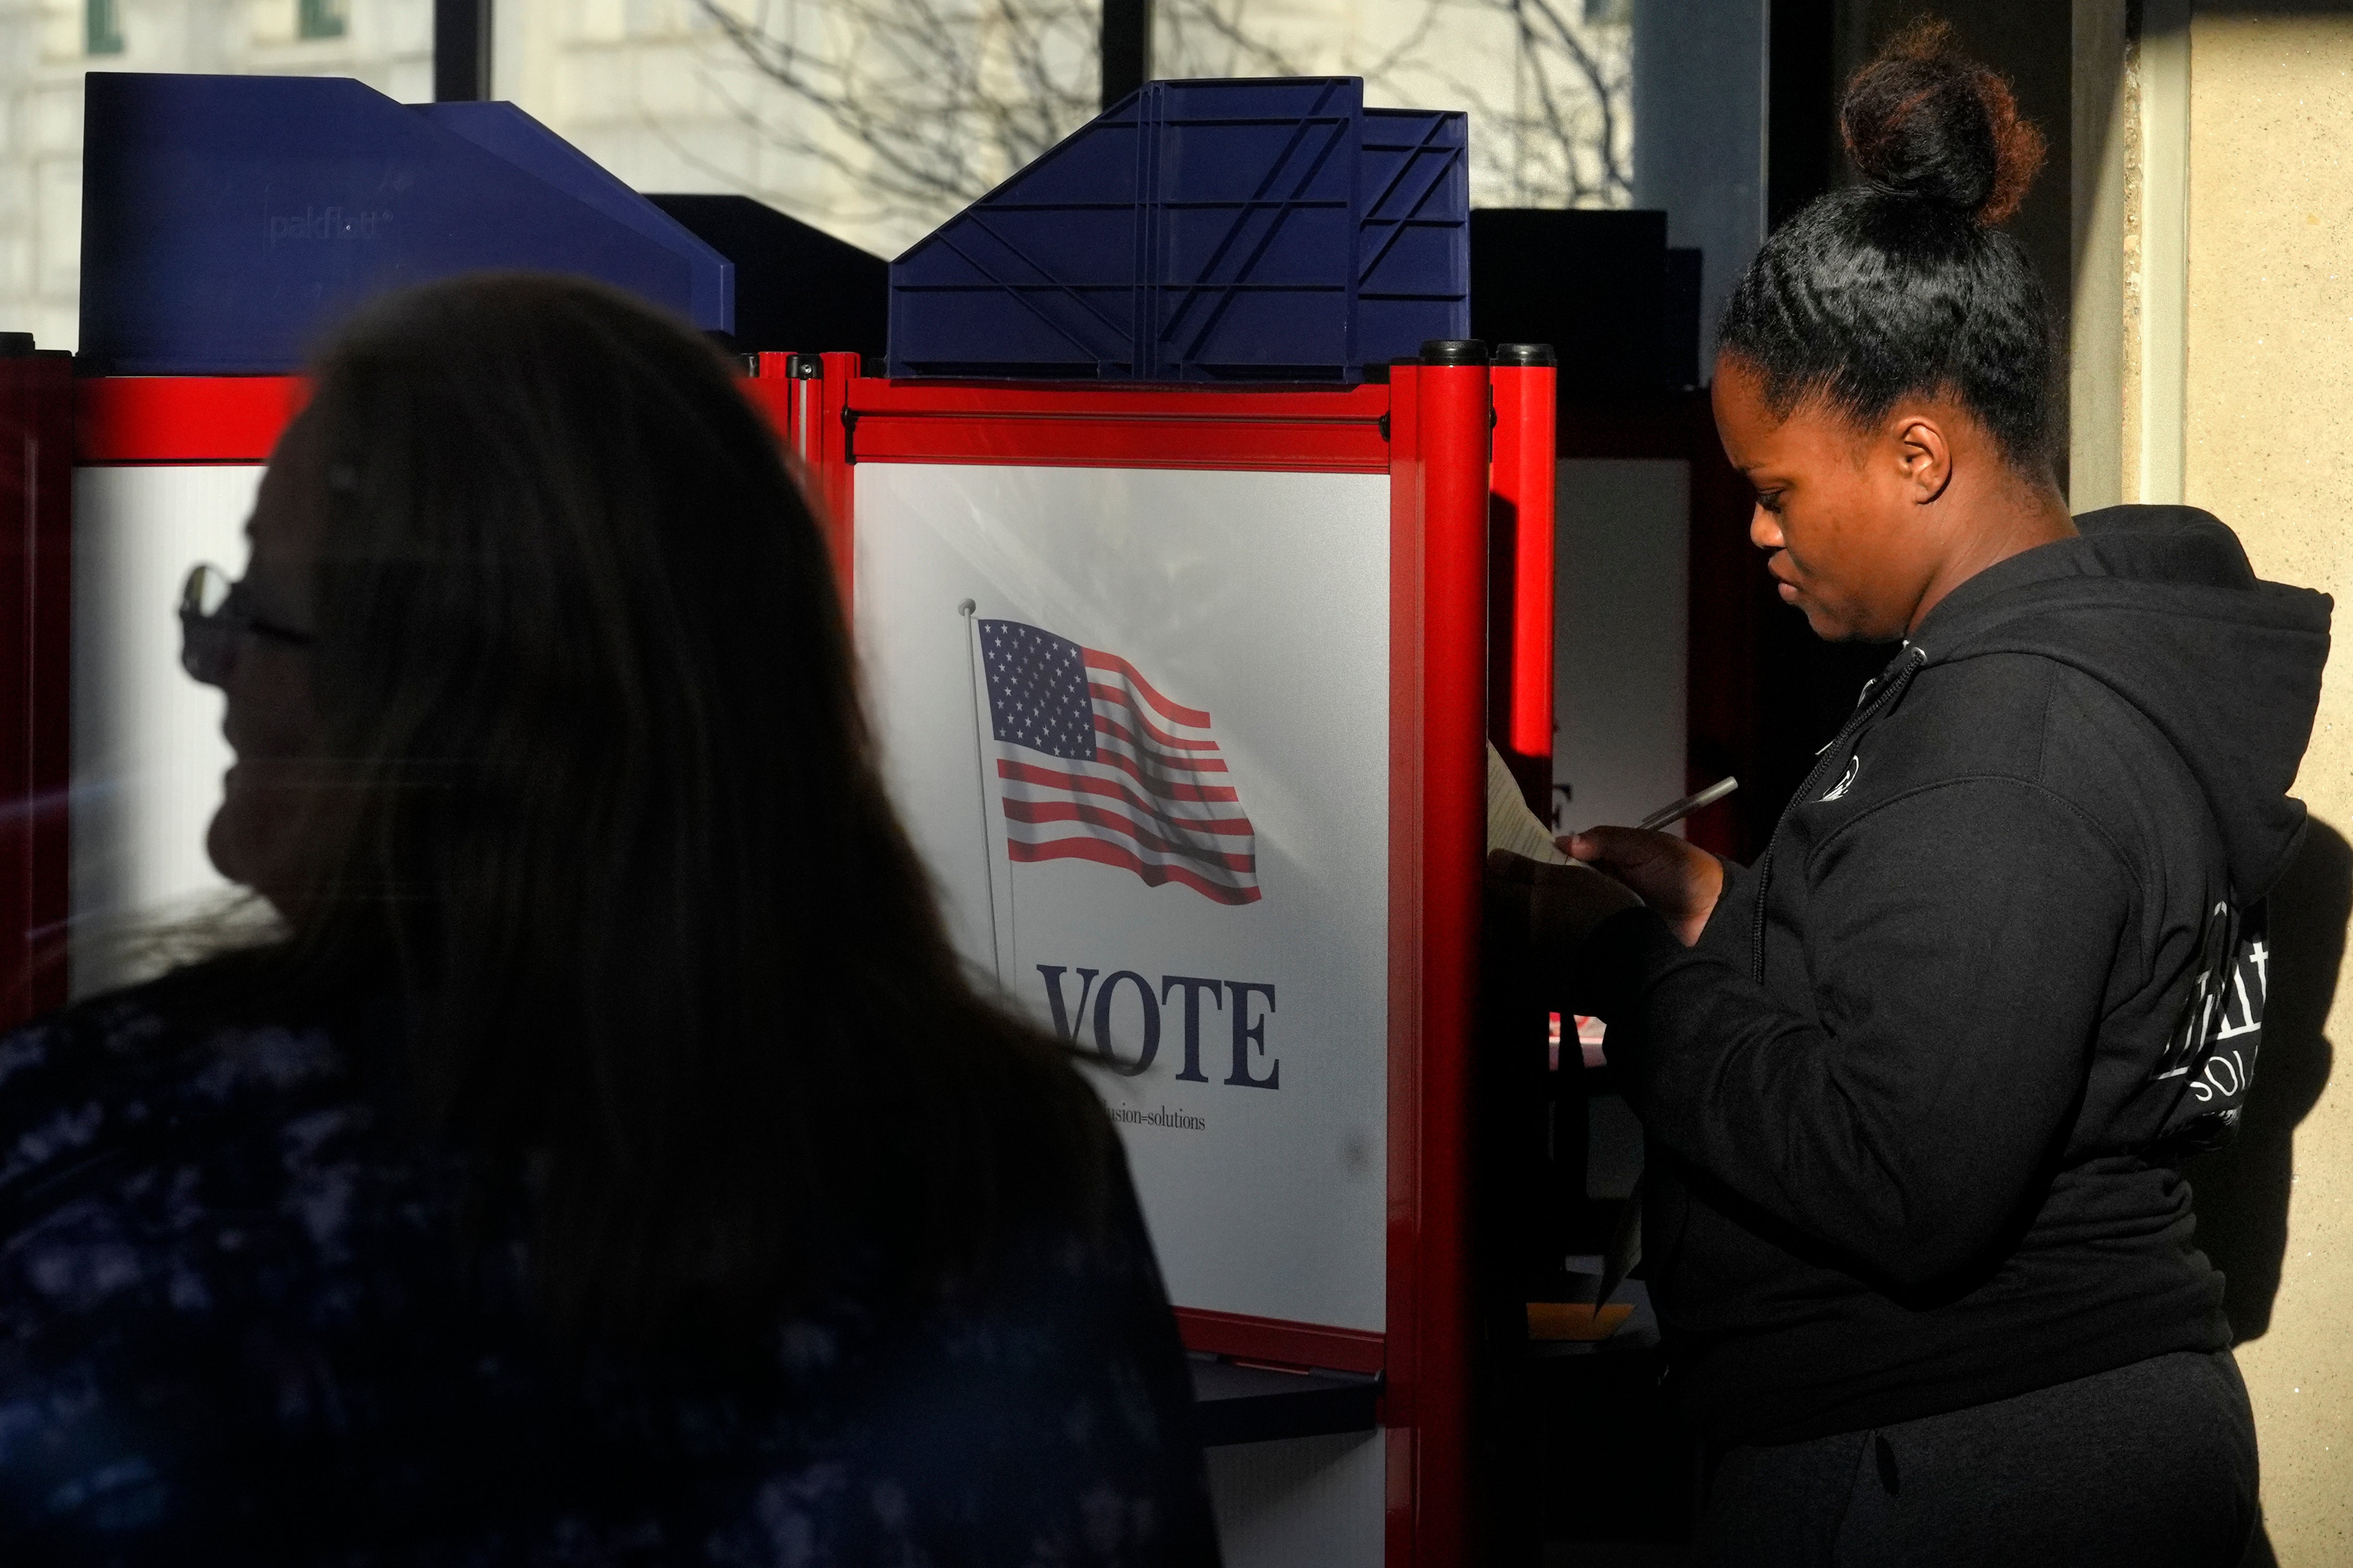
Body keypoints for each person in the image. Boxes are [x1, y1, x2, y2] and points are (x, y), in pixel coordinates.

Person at [0, 274, 1220, 1563]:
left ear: (447, 697)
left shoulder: (131, 1166)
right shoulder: (999, 1157)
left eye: (261, 618)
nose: (218, 673)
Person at [1490, 23, 2328, 1566]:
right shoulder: (2001, 691)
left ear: (1922, 451)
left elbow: (1900, 1172)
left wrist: (1612, 965)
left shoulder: (2016, 737)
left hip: (1964, 1478)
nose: (1757, 532)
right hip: (1962, 1454)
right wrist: (1718, 912)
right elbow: (1941, 1007)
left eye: (1778, 488)